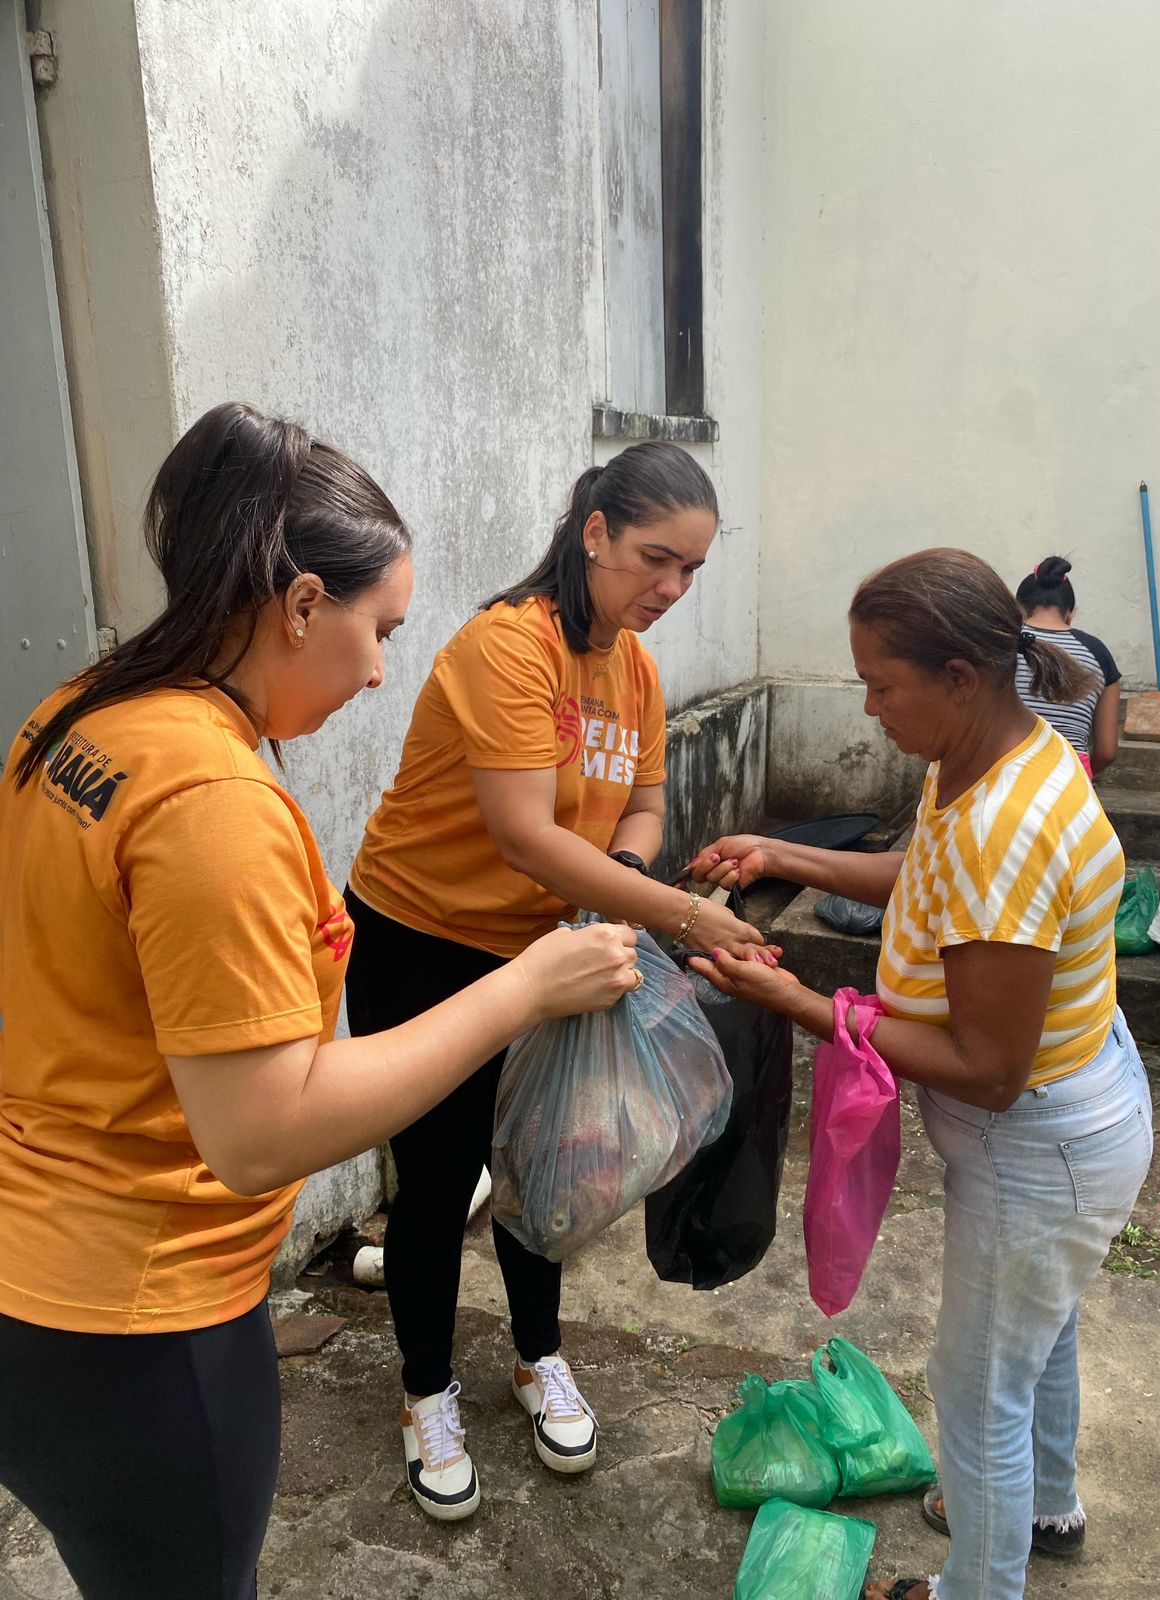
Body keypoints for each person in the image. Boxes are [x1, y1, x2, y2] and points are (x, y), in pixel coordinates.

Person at [0, 402, 641, 1600]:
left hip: (37, 1258)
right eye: (379, 629)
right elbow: (260, 1132)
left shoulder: (80, 715)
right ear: (301, 604)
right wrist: (523, 988)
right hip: (138, 1315)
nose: (384, 668)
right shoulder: (212, 803)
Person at [689, 548, 1153, 1600]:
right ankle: (1043, 1504)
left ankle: (977, 1586)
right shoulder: (992, 757)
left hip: (1038, 1141)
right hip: (1081, 1110)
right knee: (1038, 1332)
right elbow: (926, 875)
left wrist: (804, 1004)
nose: (868, 707)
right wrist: (785, 853)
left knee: (977, 1390)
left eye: (881, 685)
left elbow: (988, 1068)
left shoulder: (1004, 825)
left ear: (958, 677)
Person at [344, 441, 766, 1519]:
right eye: (656, 559)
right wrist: (675, 912)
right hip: (425, 937)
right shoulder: (509, 646)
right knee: (439, 1177)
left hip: (549, 943)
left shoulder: (636, 668)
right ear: (595, 533)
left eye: (692, 570)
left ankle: (538, 1356)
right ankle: (426, 1391)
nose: (671, 588)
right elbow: (526, 835)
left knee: (548, 1158)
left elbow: (644, 809)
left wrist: (620, 876)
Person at [1015, 554, 1121, 777]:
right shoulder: (1097, 653)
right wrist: (1081, 775)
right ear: (1070, 613)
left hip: (1008, 770)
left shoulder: (1002, 643)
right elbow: (1106, 751)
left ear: (1018, 609)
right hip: (1070, 775)